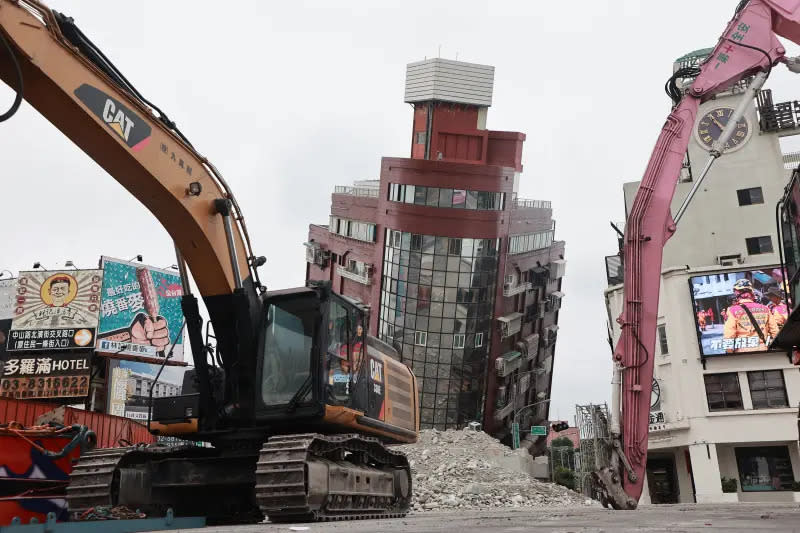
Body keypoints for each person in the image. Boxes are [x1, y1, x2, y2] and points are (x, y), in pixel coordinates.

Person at [723, 279, 779, 353]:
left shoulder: (733, 310)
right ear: (751, 292)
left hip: (743, 351)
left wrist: (729, 352)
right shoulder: (765, 308)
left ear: (738, 293)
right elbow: (775, 332)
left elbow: (729, 335)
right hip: (764, 349)